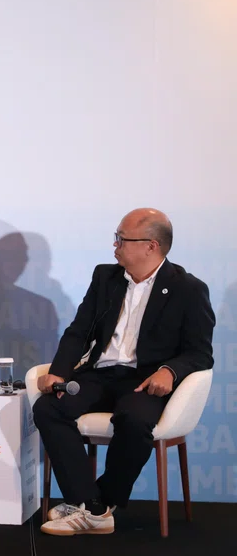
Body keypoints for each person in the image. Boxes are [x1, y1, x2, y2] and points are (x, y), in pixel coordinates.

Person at [35, 208, 215, 536]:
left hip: (145, 379)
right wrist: (59, 373)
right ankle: (91, 506)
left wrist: (170, 371)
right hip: (101, 374)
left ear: (151, 246)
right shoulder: (105, 277)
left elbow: (200, 353)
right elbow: (79, 331)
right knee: (48, 407)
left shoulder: (188, 289)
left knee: (133, 421)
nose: (114, 246)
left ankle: (96, 505)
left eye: (122, 239)